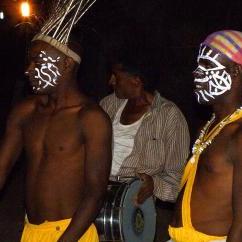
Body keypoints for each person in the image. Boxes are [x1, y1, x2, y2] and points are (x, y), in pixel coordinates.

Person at [0, 24, 112, 242]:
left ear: (67, 64)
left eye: (38, 62)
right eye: (29, 62)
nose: (28, 69)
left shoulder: (91, 119)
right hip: (31, 231)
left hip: (73, 234)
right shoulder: (26, 111)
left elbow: (95, 194)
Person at [100, 53, 190, 242]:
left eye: (116, 76)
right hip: (97, 195)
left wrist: (154, 185)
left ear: (136, 80)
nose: (111, 81)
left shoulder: (169, 116)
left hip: (135, 205)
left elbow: (179, 179)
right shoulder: (107, 105)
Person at [169, 30, 242, 242]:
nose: (196, 72)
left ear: (235, 71)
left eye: (207, 66)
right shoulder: (213, 124)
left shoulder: (238, 135)